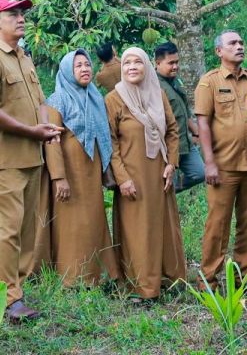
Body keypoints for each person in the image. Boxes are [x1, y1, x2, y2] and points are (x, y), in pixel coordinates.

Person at [0, 0, 62, 323]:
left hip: (31, 157)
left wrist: (45, 127)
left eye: (22, 14)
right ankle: (9, 299)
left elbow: (37, 103)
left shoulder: (24, 58)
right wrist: (31, 131)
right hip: (4, 159)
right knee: (8, 231)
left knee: (25, 231)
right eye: (13, 14)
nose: (20, 19)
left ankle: (13, 290)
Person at [194, 30, 247, 289]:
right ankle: (208, 281)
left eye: (242, 42)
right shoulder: (208, 83)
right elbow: (203, 124)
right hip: (223, 167)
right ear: (219, 51)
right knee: (217, 225)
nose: (239, 46)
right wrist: (208, 162)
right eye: (233, 43)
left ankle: (241, 280)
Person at [105, 47, 186, 301]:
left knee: (162, 226)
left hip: (159, 174)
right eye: (127, 62)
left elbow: (172, 131)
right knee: (137, 231)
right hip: (132, 177)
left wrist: (171, 164)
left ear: (146, 67)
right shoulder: (114, 99)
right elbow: (110, 143)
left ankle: (168, 280)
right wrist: (122, 178)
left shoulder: (158, 94)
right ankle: (141, 286)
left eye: (137, 62)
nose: (131, 67)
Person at [44, 49, 120, 286]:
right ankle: (74, 277)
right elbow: (51, 141)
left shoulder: (95, 97)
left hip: (91, 172)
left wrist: (106, 171)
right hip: (70, 173)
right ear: (67, 71)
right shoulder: (56, 100)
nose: (85, 69)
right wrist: (59, 178)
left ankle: (99, 274)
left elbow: (103, 137)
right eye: (78, 66)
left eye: (87, 64)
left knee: (94, 221)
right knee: (73, 225)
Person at [153, 41, 205, 192]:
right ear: (158, 63)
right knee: (165, 183)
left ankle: (168, 191)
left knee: (200, 173)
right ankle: (162, 196)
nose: (175, 66)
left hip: (185, 143)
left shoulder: (174, 82)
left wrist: (195, 132)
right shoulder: (154, 86)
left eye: (177, 62)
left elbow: (184, 111)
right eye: (171, 63)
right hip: (168, 146)